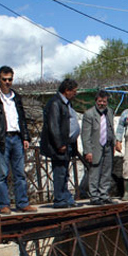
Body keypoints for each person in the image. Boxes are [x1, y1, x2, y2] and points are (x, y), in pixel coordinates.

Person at [0, 65, 37, 215]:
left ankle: (22, 203)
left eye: (10, 79)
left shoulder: (16, 97)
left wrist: (25, 137)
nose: (7, 82)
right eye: (4, 79)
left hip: (16, 138)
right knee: (2, 174)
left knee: (20, 173)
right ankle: (4, 205)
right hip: (1, 140)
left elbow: (22, 118)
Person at [40, 78, 82, 209]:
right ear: (66, 90)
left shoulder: (67, 103)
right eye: (73, 91)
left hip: (67, 144)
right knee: (59, 172)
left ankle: (66, 197)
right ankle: (60, 199)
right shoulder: (55, 103)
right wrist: (59, 144)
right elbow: (54, 125)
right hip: (59, 146)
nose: (75, 94)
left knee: (64, 172)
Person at [81, 90, 116, 205]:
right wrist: (88, 151)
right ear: (96, 101)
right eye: (100, 101)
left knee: (107, 171)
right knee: (94, 171)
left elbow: (111, 128)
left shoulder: (109, 112)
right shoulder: (89, 114)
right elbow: (85, 135)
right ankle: (94, 196)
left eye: (104, 101)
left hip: (108, 146)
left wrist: (114, 144)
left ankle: (104, 194)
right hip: (95, 147)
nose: (102, 104)